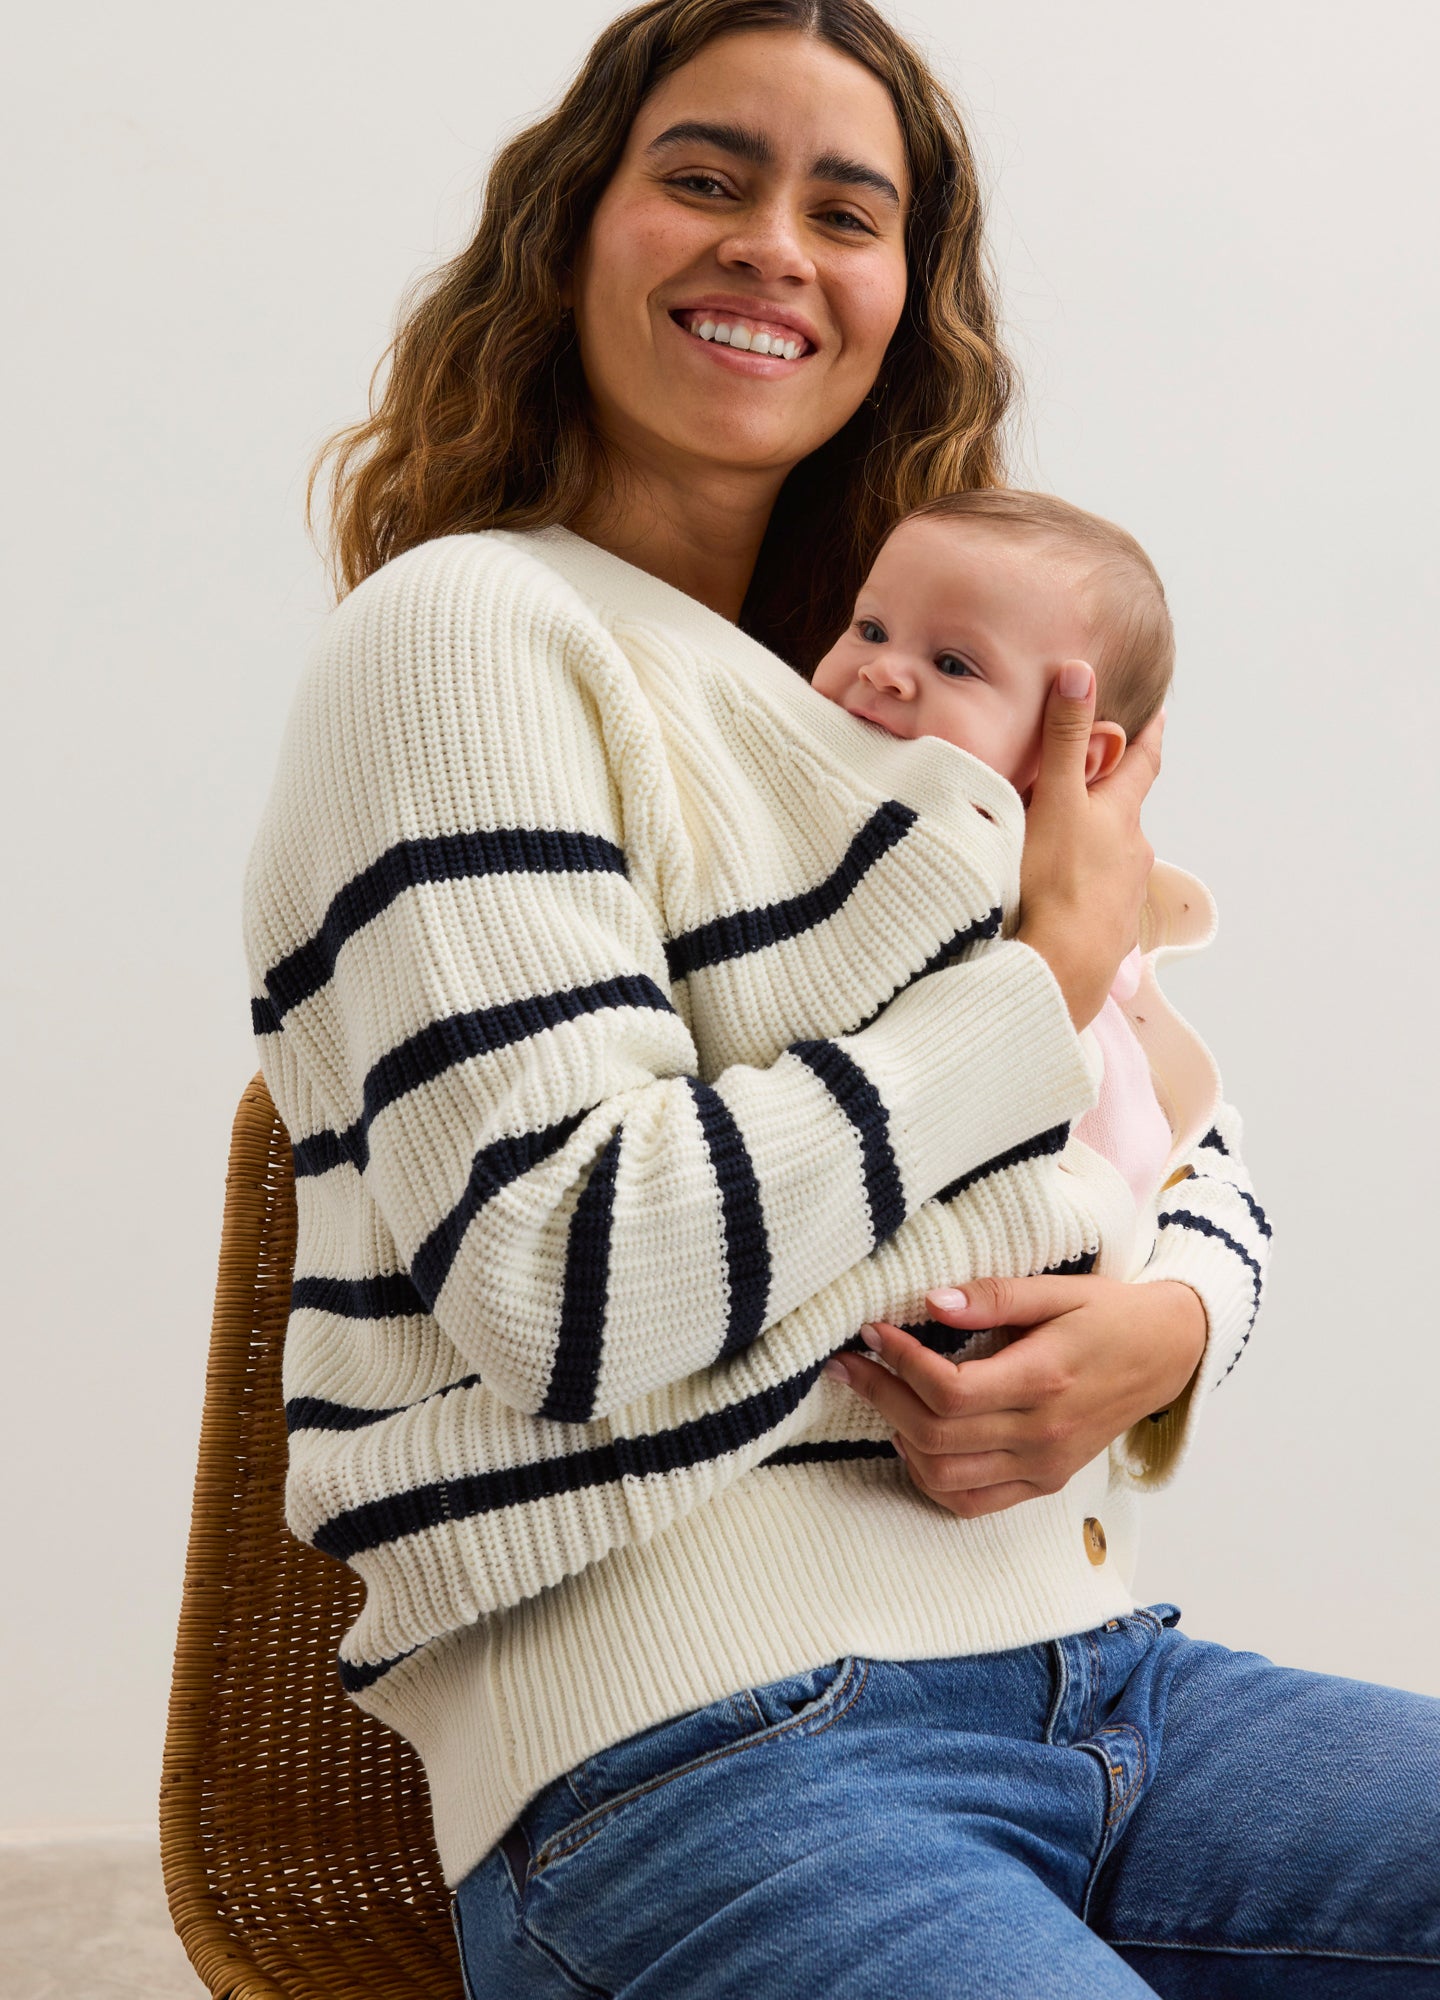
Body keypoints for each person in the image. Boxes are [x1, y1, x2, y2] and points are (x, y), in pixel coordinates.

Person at [241, 2, 1439, 1992]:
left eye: (846, 211)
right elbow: (566, 1283)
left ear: (904, 297)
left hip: (1107, 1677)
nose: (773, 246)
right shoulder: (468, 635)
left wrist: (1165, 1328)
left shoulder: (918, 699)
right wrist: (1035, 983)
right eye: (705, 177)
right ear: (573, 228)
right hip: (697, 1741)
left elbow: (1165, 1133)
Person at [810, 485, 1188, 1253]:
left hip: (1061, 1221)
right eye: (871, 629)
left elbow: (1187, 1147)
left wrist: (1187, 1296)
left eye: (953, 664)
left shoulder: (1036, 877)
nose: (884, 671)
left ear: (1076, 754)